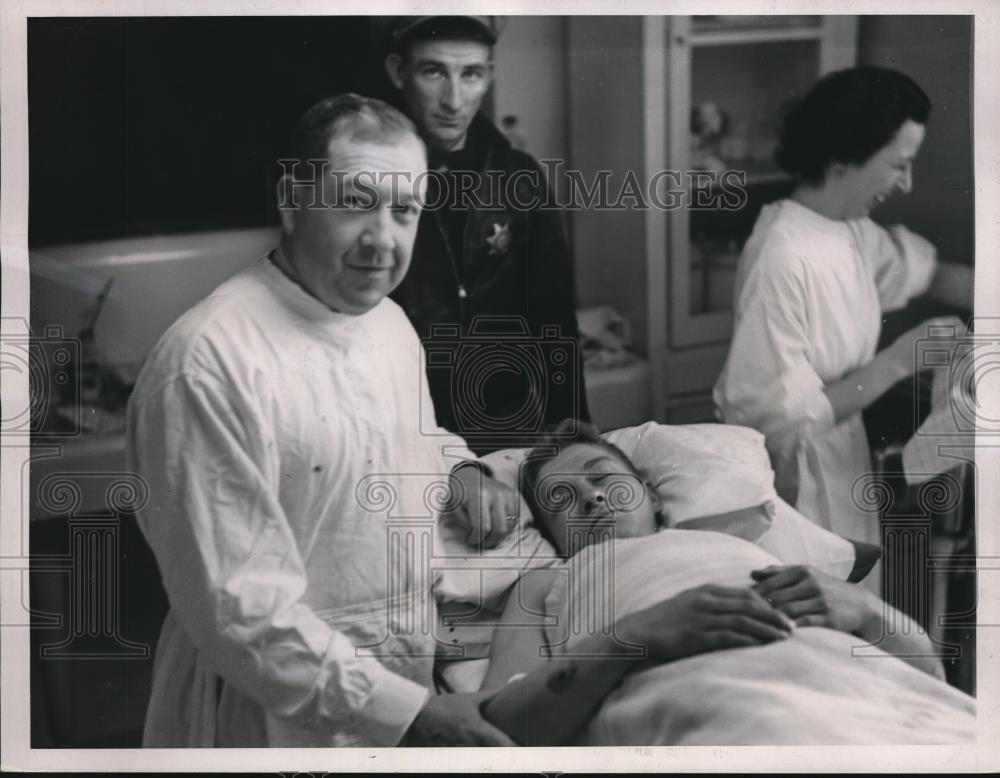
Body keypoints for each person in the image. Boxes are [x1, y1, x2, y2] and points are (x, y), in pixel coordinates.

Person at [127, 94, 527, 747]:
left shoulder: (387, 324)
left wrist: (462, 469)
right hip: (268, 714)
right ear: (291, 198)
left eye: (404, 211)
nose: (382, 239)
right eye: (354, 202)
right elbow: (241, 611)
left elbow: (403, 441)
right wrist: (409, 715)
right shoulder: (209, 363)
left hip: (398, 685)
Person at [478, 420, 968, 746]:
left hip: (868, 698)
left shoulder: (745, 548)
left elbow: (930, 678)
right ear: (552, 536)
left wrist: (866, 610)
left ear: (651, 495)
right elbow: (498, 726)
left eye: (603, 477)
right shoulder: (547, 583)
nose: (591, 498)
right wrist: (637, 635)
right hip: (724, 707)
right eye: (562, 499)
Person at [712, 66, 966, 583]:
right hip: (794, 488)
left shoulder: (847, 229)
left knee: (853, 610)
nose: (906, 183)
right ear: (846, 155)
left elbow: (928, 272)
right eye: (899, 165)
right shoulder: (782, 253)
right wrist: (898, 361)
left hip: (841, 467)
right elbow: (776, 420)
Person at [382, 16, 590, 453]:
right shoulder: (373, 178)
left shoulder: (520, 176)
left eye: (471, 74)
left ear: (489, 76)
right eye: (433, 71)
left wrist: (571, 429)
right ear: (399, 72)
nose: (453, 100)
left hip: (507, 429)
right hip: (401, 431)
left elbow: (554, 316)